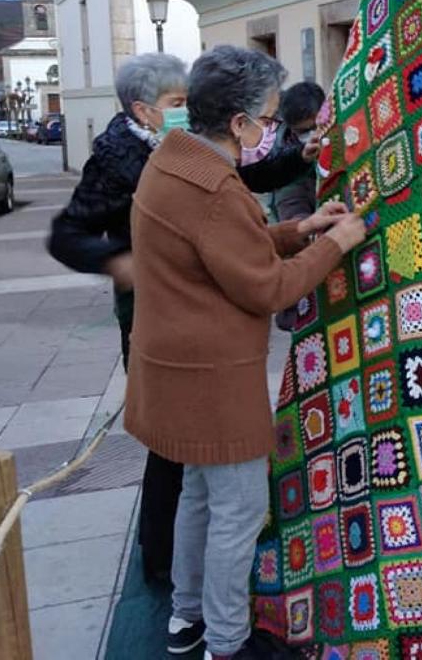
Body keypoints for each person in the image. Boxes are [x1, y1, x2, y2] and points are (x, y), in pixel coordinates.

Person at [123, 46, 365, 660]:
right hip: (211, 379)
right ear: (237, 123)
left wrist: (299, 230)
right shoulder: (214, 188)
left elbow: (221, 249)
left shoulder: (172, 162)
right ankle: (227, 643)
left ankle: (186, 617)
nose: (271, 131)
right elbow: (267, 287)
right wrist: (335, 243)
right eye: (266, 119)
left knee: (197, 499)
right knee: (237, 511)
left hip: (171, 369)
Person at [46, 53, 319, 583]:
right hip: (174, 322)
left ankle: (182, 592)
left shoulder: (177, 155)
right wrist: (121, 262)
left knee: (191, 469)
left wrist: (294, 175)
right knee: (185, 461)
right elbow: (262, 279)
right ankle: (176, 583)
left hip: (182, 310)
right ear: (144, 110)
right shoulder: (136, 159)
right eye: (176, 104)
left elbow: (239, 183)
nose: (185, 112)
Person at [269, 81, 326, 333]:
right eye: (302, 131)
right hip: (305, 242)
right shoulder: (284, 151)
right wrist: (308, 227)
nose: (309, 135)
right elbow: (290, 203)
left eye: (313, 127)